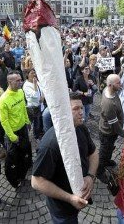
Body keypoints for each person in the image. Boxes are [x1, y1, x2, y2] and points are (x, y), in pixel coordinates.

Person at [31, 92, 99, 223]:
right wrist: (70, 198)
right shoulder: (50, 144)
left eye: (81, 107)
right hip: (63, 209)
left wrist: (90, 177)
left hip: (79, 198)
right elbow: (36, 181)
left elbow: (94, 153)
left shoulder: (81, 128)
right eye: (75, 109)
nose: (81, 112)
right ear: (63, 112)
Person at [0, 71, 31, 187]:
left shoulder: (21, 92)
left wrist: (27, 121)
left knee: (25, 153)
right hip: (13, 133)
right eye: (17, 81)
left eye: (20, 80)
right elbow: (4, 121)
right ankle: (14, 179)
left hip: (23, 129)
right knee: (13, 158)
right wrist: (12, 137)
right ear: (9, 82)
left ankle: (23, 175)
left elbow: (23, 108)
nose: (20, 82)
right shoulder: (3, 99)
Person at [97, 74, 124, 183]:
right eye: (118, 83)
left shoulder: (108, 89)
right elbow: (115, 125)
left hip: (111, 131)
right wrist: (123, 133)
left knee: (109, 149)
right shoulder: (109, 104)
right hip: (108, 132)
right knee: (104, 152)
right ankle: (99, 171)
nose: (120, 84)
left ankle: (107, 161)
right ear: (110, 85)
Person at [23, 69, 44, 141]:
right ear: (27, 75)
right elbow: (34, 95)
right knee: (36, 123)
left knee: (40, 122)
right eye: (32, 73)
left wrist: (43, 97)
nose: (34, 74)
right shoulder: (26, 85)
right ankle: (36, 137)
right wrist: (35, 84)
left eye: (34, 73)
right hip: (33, 107)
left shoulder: (36, 81)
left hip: (40, 106)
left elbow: (42, 89)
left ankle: (39, 134)